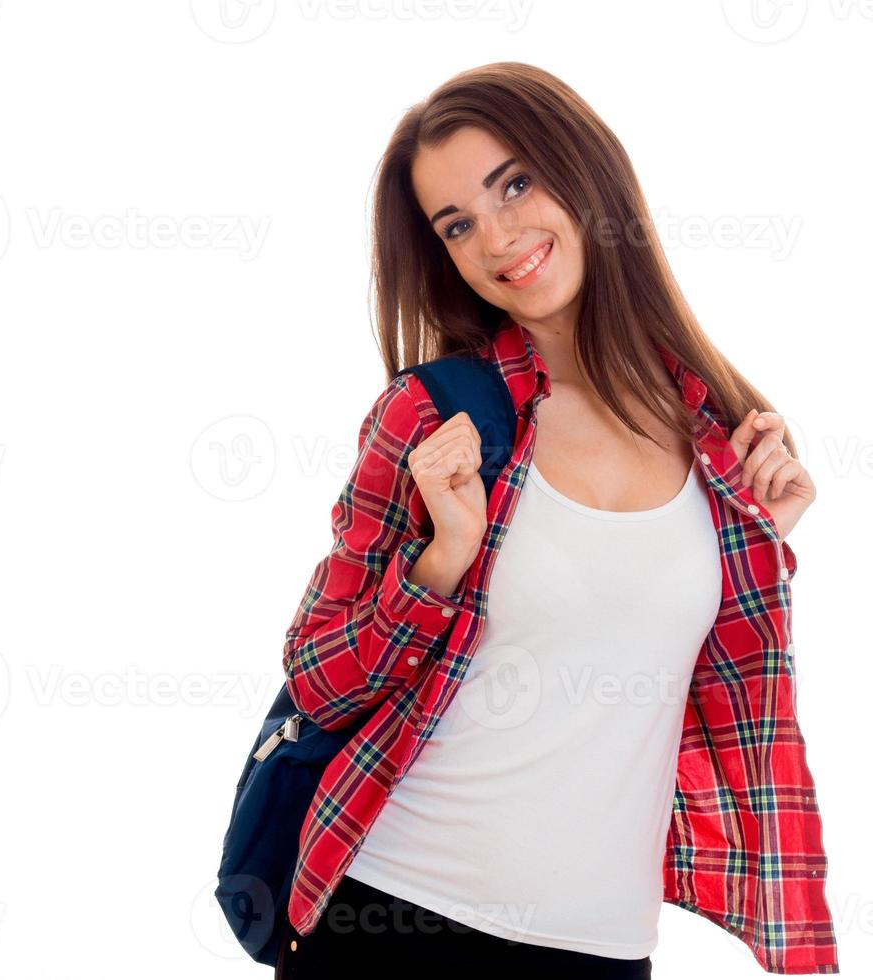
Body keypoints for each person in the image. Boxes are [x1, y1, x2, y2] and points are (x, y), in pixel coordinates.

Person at [277, 62, 839, 977]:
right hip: (394, 918)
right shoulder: (436, 418)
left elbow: (667, 670)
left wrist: (761, 550)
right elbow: (320, 683)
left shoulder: (717, 433)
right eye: (457, 224)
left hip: (599, 947)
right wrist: (442, 562)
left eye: (515, 184)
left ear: (586, 173)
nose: (497, 237)